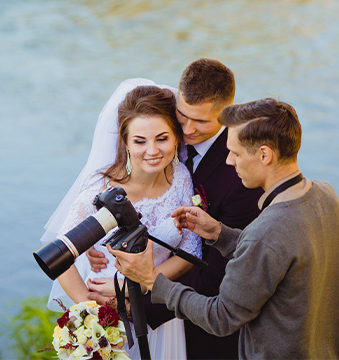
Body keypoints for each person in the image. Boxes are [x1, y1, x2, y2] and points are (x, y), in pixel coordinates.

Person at [108, 98, 339, 359]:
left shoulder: (265, 233)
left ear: (264, 155)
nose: (230, 161)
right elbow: (276, 253)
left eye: (235, 153)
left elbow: (221, 318)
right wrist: (220, 233)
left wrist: (153, 280)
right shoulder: (325, 195)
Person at [86, 58, 264, 359]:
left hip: (197, 324)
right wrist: (95, 240)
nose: (188, 129)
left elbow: (219, 274)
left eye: (202, 122)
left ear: (227, 114)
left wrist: (136, 298)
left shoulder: (241, 177)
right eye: (182, 116)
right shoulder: (162, 137)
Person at [39, 80, 202, 359]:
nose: (152, 151)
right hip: (111, 316)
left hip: (161, 313)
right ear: (125, 142)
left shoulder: (182, 180)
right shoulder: (102, 189)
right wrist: (91, 311)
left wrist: (135, 285)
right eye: (139, 141)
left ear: (177, 137)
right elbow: (59, 255)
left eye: (161, 138)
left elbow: (190, 252)